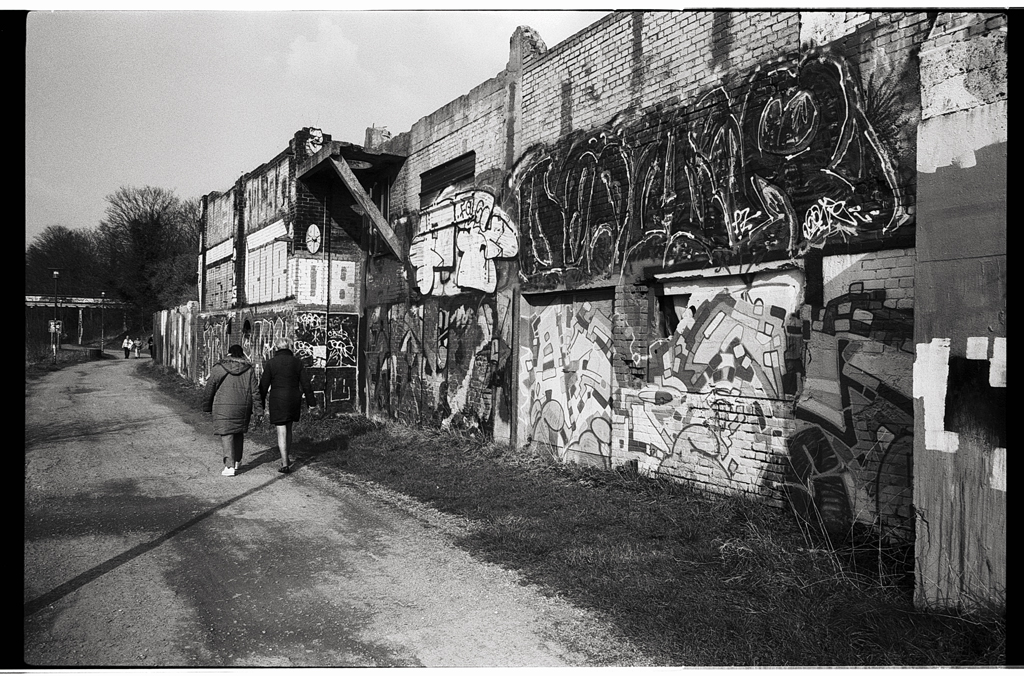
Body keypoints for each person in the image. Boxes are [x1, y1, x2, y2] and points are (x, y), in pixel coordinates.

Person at [202, 344, 263, 477]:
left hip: (223, 406)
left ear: (229, 353)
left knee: (227, 433)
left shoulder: (219, 368)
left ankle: (229, 466)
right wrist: (259, 410)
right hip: (243, 406)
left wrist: (206, 406)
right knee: (238, 431)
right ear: (242, 355)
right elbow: (255, 391)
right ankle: (237, 461)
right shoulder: (249, 369)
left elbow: (210, 387)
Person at [259, 338, 317, 474]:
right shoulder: (297, 363)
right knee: (289, 428)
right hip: (293, 398)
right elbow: (306, 384)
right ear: (289, 347)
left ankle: (285, 462)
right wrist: (311, 403)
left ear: (276, 348)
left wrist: (259, 404)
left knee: (281, 430)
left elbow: (263, 385)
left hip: (277, 399)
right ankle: (286, 458)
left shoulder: (271, 363)